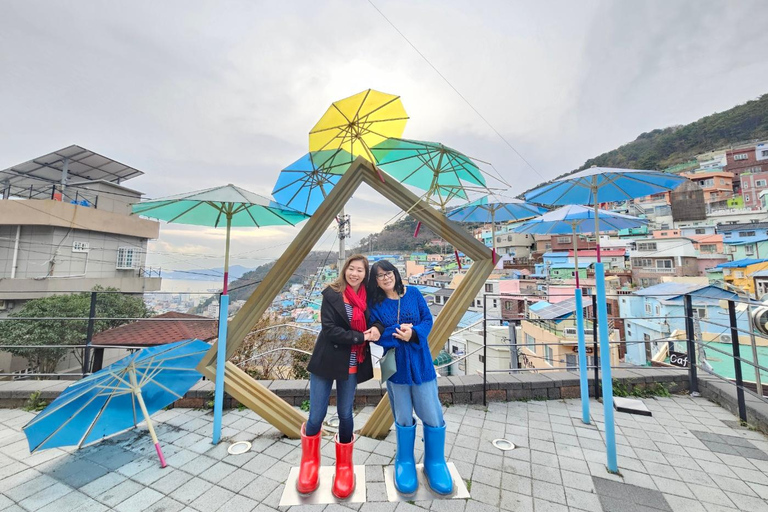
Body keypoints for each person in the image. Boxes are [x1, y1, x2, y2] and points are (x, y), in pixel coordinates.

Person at [298, 254, 381, 499]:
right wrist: (360, 337)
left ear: (365, 275)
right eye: (351, 269)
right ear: (345, 270)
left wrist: (377, 329)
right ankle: (309, 464)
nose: (355, 274)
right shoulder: (332, 293)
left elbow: (377, 321)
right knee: (316, 415)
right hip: (326, 362)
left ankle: (344, 467)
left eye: (360, 270)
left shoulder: (369, 297)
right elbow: (330, 329)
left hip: (352, 364)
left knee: (345, 414)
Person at [367, 260, 453, 496]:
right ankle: (404, 461)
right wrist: (399, 333)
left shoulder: (413, 293)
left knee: (432, 412)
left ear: (396, 273)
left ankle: (435, 462)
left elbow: (427, 320)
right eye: (380, 276)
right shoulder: (375, 304)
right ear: (375, 281)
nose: (386, 278)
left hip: (422, 364)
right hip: (397, 369)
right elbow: (377, 334)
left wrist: (413, 333)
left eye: (389, 273)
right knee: (403, 415)